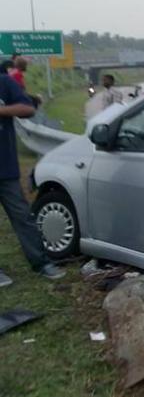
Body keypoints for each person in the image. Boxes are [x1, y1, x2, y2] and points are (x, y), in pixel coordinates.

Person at [0, 71, 65, 287]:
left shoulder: (4, 82)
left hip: (5, 167)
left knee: (22, 216)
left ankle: (41, 262)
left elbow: (27, 108)